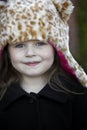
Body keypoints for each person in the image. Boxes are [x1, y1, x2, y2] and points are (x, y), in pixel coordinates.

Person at [0, 0, 87, 130]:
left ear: (57, 48)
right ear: (7, 51)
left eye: (40, 43)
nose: (30, 53)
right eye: (20, 45)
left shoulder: (78, 95)